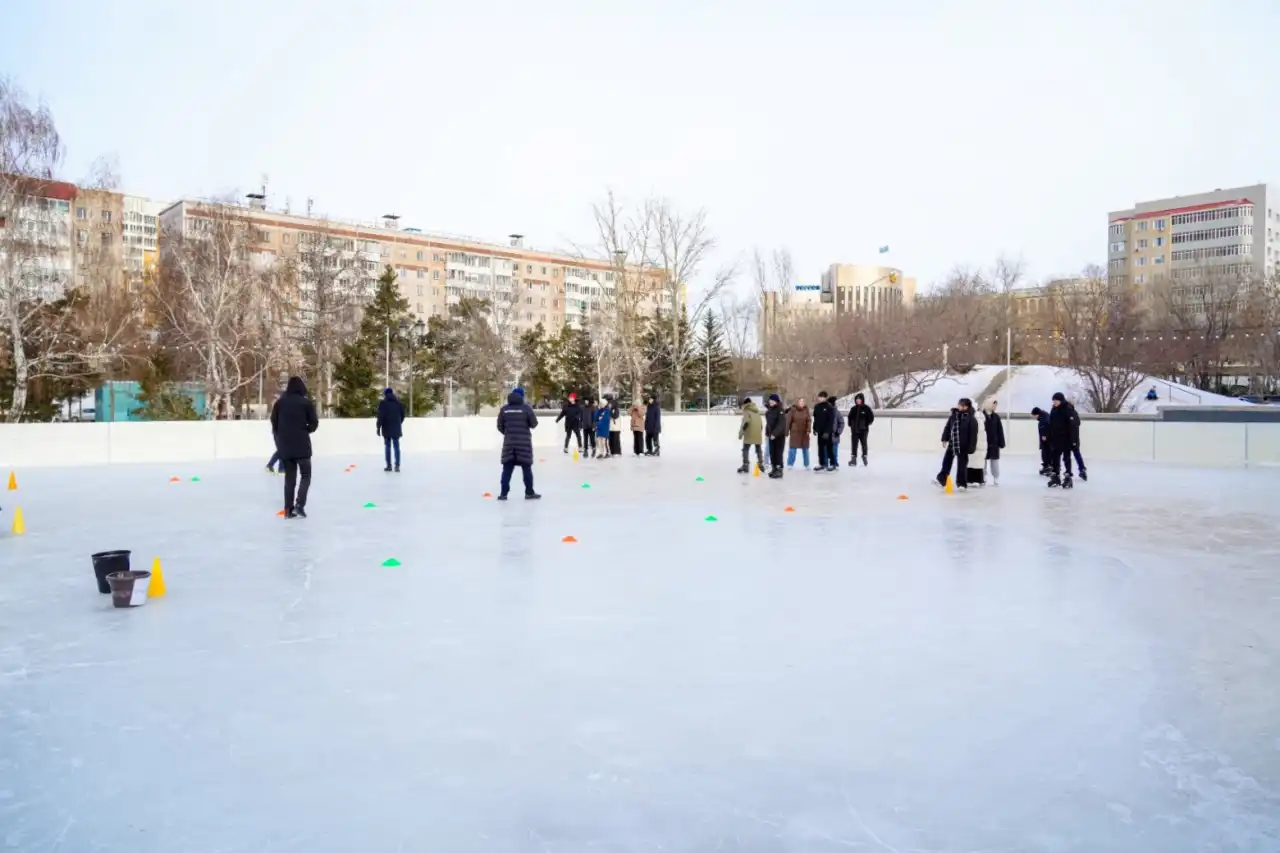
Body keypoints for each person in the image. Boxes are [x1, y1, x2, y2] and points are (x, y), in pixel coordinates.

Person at [270, 376, 319, 518]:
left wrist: (282, 435)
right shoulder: (306, 403)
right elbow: (314, 423)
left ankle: (288, 510)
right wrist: (305, 430)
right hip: (302, 446)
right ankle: (299, 505)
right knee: (306, 475)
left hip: (286, 446)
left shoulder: (280, 403)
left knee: (289, 480)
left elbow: (274, 423)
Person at [496, 388, 540, 500]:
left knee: (507, 470)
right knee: (526, 469)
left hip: (509, 444)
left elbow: (499, 426)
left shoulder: (504, 409)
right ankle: (529, 492)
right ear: (521, 396)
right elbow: (534, 424)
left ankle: (503, 494)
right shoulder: (526, 408)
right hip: (524, 444)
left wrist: (508, 433)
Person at [935, 398, 978, 489]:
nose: (958, 406)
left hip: (963, 445)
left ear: (965, 406)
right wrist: (944, 439)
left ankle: (961, 483)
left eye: (960, 404)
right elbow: (948, 427)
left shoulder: (971, 418)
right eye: (958, 404)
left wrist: (971, 447)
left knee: (962, 465)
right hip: (953, 443)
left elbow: (973, 434)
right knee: (946, 462)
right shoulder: (954, 415)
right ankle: (942, 480)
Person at [1046, 391, 1080, 488]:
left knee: (1066, 458)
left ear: (1061, 400)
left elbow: (1074, 426)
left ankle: (1068, 476)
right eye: (1053, 401)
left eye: (1056, 401)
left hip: (1066, 439)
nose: (1054, 403)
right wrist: (1049, 436)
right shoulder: (1054, 410)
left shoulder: (1068, 410)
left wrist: (1074, 441)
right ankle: (1055, 476)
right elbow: (1051, 424)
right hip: (1056, 439)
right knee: (1055, 458)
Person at [376, 387, 406, 472]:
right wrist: (398, 423)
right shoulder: (398, 403)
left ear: (385, 394)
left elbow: (380, 417)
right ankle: (397, 465)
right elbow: (403, 415)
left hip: (386, 428)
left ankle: (389, 465)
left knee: (388, 446)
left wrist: (378, 427)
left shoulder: (383, 404)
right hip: (396, 428)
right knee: (396, 446)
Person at [737, 397, 764, 474]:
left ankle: (745, 465)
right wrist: (759, 432)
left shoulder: (746, 410)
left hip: (749, 433)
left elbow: (745, 423)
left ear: (745, 404)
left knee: (745, 449)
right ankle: (761, 463)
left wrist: (740, 434)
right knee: (758, 449)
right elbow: (761, 424)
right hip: (758, 433)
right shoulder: (757, 411)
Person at [982, 399, 1006, 486]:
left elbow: (1000, 430)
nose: (995, 407)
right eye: (994, 405)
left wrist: (1001, 442)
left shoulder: (996, 417)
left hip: (994, 442)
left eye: (996, 405)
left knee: (994, 461)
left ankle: (996, 477)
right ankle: (983, 476)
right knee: (982, 461)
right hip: (984, 441)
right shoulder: (981, 415)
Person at [811, 391, 836, 472]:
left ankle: (832, 463)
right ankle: (822, 464)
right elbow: (815, 419)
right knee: (820, 448)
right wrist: (814, 428)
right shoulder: (817, 407)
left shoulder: (829, 407)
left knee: (829, 448)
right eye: (819, 397)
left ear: (825, 398)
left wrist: (828, 432)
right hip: (820, 431)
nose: (820, 398)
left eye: (821, 397)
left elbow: (831, 421)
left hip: (827, 432)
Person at [847, 393, 875, 466]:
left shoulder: (866, 408)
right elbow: (849, 418)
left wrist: (866, 424)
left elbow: (871, 418)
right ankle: (853, 459)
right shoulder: (853, 409)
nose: (858, 401)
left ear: (862, 400)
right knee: (854, 445)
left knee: (864, 444)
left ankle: (864, 456)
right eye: (857, 399)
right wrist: (851, 424)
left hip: (863, 430)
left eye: (859, 399)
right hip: (854, 430)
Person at [764, 393, 787, 478]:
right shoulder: (770, 410)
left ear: (776, 401)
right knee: (772, 453)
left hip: (779, 436)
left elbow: (781, 424)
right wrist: (768, 433)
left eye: (773, 401)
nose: (771, 402)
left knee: (778, 453)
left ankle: (779, 469)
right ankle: (774, 468)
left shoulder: (780, 410)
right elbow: (769, 424)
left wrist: (774, 434)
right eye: (770, 400)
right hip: (771, 435)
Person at [785, 397, 812, 469]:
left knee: (805, 449)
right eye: (800, 401)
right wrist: (786, 431)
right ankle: (790, 464)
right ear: (797, 402)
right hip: (795, 433)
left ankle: (807, 464)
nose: (802, 403)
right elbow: (788, 421)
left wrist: (808, 429)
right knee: (792, 449)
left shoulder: (806, 410)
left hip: (804, 433)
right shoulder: (793, 410)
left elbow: (809, 421)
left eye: (803, 401)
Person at [1066, 396, 1088, 481]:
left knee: (1067, 456)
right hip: (1075, 438)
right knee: (1077, 454)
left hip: (1069, 438)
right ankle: (1082, 469)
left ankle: (1068, 472)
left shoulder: (1068, 413)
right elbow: (1078, 423)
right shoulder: (1075, 412)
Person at [1031, 406, 1051, 475]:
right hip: (1044, 438)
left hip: (1047, 439)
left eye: (1034, 416)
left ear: (1037, 414)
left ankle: (1049, 467)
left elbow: (1048, 426)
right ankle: (1046, 466)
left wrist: (1045, 435)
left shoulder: (1044, 418)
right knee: (1044, 452)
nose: (1034, 417)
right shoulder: (1043, 417)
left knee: (1047, 452)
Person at [831, 401, 846, 469]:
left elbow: (842, 423)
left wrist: (838, 432)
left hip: (835, 436)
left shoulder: (837, 413)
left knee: (834, 451)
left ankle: (834, 463)